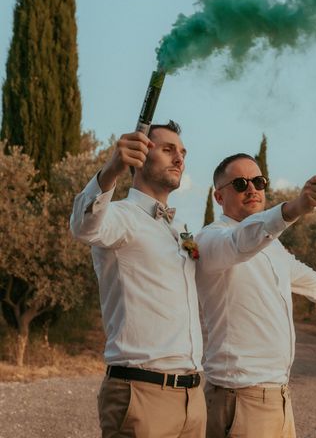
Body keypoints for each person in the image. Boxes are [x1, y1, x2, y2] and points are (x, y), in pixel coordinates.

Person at [196, 153, 316, 438]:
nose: (252, 189)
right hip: (239, 400)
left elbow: (306, 278)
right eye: (240, 183)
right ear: (218, 197)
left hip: (278, 397)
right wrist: (295, 207)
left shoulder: (272, 247)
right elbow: (241, 241)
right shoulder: (211, 239)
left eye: (258, 181)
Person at [70, 121, 205, 438]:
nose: (179, 159)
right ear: (140, 154)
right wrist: (110, 171)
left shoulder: (183, 230)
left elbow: (199, 270)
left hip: (193, 399)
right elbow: (82, 226)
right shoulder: (119, 216)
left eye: (182, 152)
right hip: (141, 395)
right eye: (168, 149)